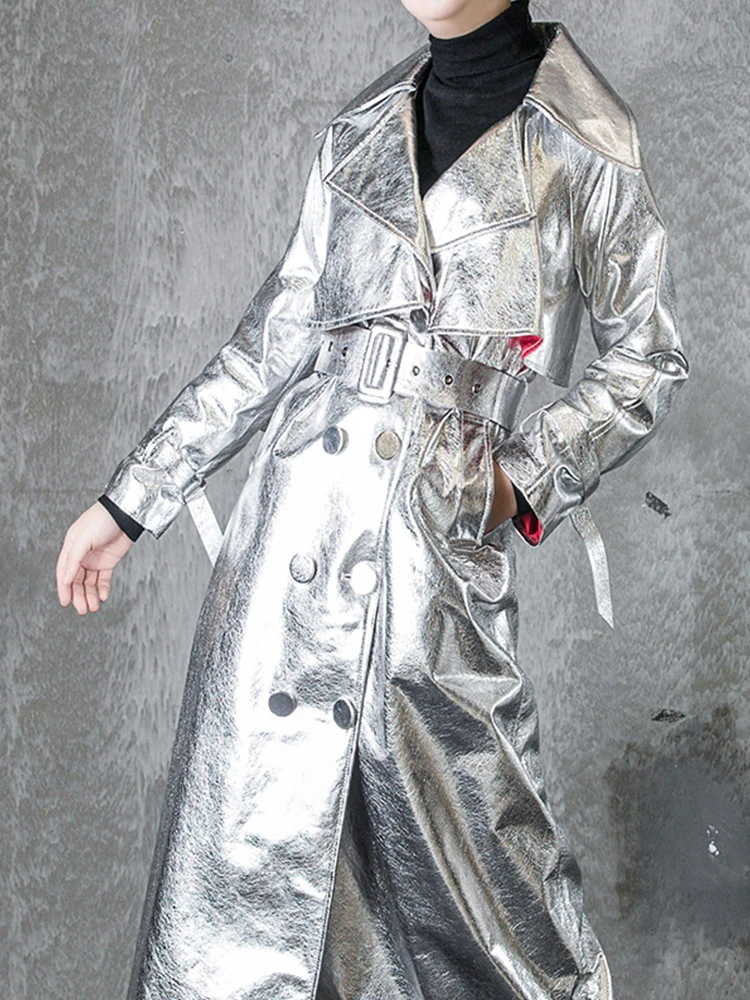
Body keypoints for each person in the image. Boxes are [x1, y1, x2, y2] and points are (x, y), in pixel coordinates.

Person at [55, 1, 688, 997]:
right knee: (246, 890)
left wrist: (513, 478)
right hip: (285, 553)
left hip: (429, 564)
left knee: (490, 898)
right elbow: (274, 338)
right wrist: (133, 499)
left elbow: (647, 357)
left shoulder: (588, 137)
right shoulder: (360, 126)